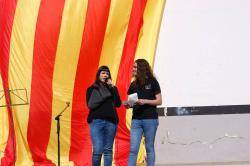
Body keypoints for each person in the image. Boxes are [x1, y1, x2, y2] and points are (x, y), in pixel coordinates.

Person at [125, 59, 162, 166]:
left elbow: (159, 101)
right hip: (136, 120)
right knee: (133, 149)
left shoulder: (153, 82)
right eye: (133, 67)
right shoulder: (133, 84)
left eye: (135, 67)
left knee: (149, 147)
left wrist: (145, 101)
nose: (133, 69)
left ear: (141, 68)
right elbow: (131, 101)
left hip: (150, 119)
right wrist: (128, 105)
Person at [86, 66, 121, 166]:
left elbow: (118, 103)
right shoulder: (92, 88)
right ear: (98, 75)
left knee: (108, 150)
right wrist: (105, 94)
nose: (105, 75)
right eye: (103, 73)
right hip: (96, 121)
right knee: (97, 149)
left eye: (107, 73)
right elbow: (90, 104)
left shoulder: (113, 88)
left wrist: (112, 88)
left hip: (111, 122)